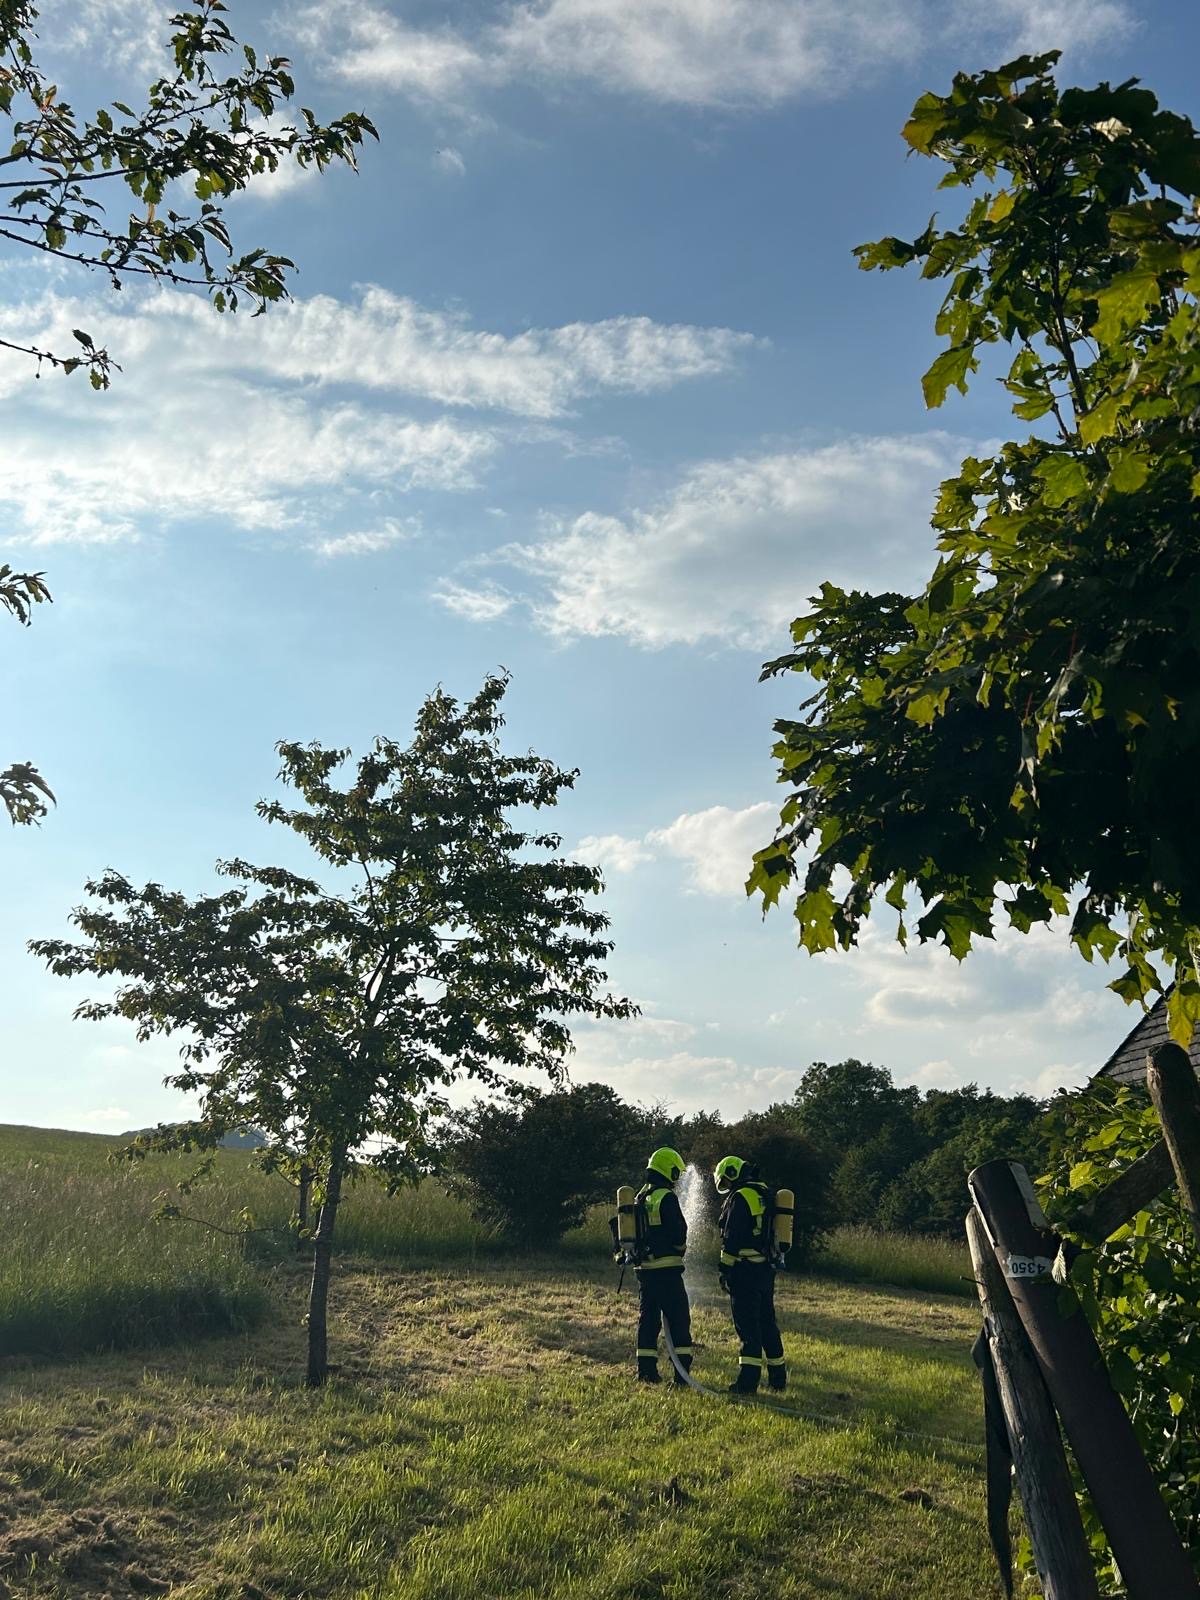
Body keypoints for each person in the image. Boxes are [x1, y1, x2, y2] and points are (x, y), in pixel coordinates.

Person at [714, 1154, 787, 1394]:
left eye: (726, 1181)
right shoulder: (766, 1193)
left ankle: (747, 1383)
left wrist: (724, 1269)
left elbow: (732, 1237)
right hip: (765, 1269)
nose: (726, 1187)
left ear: (733, 1174)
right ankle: (778, 1379)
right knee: (767, 1324)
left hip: (744, 1270)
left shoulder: (740, 1197)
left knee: (748, 1327)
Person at [628, 1146, 693, 1385]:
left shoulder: (640, 1196)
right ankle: (681, 1376)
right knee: (679, 1321)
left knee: (648, 1321)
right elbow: (679, 1233)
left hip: (645, 1271)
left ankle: (646, 1372)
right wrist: (680, 1250)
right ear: (668, 1169)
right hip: (667, 1272)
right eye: (676, 1171)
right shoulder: (666, 1197)